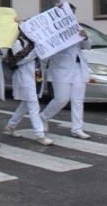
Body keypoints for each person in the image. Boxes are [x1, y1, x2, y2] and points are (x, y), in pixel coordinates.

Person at [40, 10, 91, 139]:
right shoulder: (51, 30)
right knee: (61, 99)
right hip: (60, 69)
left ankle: (77, 129)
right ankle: (44, 117)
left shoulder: (76, 27)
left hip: (79, 67)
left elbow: (88, 46)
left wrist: (85, 37)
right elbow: (47, 49)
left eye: (72, 14)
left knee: (78, 100)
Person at [3, 29, 53, 145]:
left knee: (25, 104)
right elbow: (18, 60)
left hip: (35, 76)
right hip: (24, 77)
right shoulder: (16, 43)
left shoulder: (34, 43)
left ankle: (11, 126)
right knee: (33, 105)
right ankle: (40, 135)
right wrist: (36, 50)